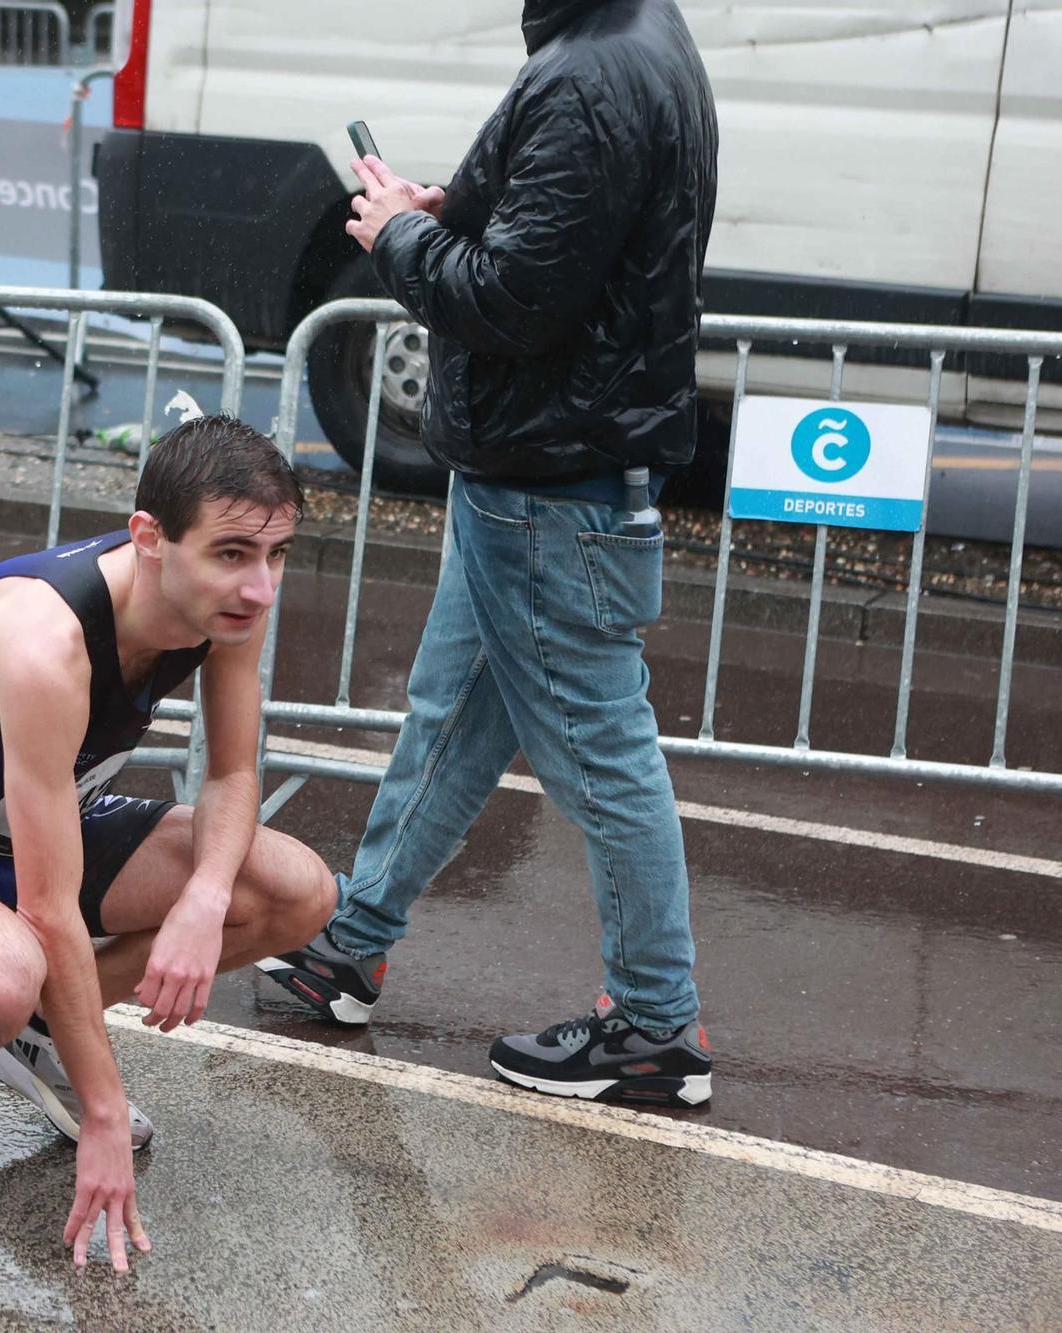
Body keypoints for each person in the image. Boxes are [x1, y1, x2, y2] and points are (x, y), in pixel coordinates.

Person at [258, 0, 718, 1107]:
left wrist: (399, 237)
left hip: (549, 484)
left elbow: (511, 299)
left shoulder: (586, 75)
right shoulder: (631, 42)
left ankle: (655, 1027)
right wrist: (444, 212)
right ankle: (348, 945)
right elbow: (553, 251)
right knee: (452, 720)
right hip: (534, 477)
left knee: (600, 760)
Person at [0, 415, 335, 1268]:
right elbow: (48, 907)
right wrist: (102, 1110)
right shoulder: (46, 642)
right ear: (151, 539)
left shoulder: (227, 607)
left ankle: (45, 1030)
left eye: (277, 554)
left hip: (31, 829)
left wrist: (204, 900)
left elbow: (232, 775)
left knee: (294, 890)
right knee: (4, 975)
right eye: (234, 553)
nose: (260, 587)